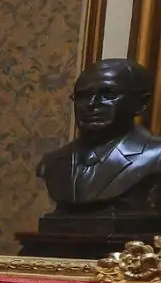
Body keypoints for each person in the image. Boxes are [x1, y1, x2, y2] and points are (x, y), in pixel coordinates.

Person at [36, 58, 161, 214]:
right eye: (83, 96)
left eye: (108, 94)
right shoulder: (52, 163)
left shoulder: (156, 156)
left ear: (141, 103)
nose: (91, 104)